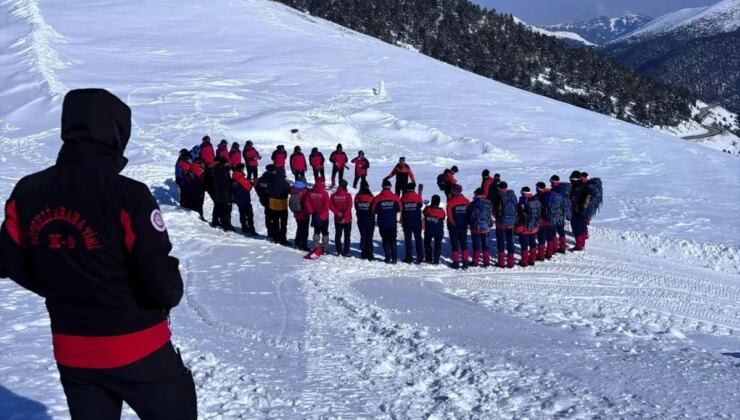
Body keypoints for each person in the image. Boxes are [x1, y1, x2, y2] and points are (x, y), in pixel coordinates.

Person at [0, 88, 196, 419]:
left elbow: (8, 258)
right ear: (117, 133)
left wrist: (59, 286)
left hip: (73, 350)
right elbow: (164, 286)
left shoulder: (28, 191)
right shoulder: (127, 195)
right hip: (138, 346)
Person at [371, 179, 402, 264]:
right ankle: (394, 258)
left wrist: (380, 211)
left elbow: (373, 210)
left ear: (382, 187)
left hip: (382, 223)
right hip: (392, 222)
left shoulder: (377, 198)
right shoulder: (395, 197)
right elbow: (400, 208)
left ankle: (388, 258)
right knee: (393, 240)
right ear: (390, 187)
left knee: (385, 240)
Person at [515, 186, 541, 266]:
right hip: (534, 226)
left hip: (524, 228)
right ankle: (532, 260)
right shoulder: (535, 199)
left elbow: (518, 215)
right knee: (533, 243)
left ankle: (524, 262)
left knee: (524, 245)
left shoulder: (522, 201)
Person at [494, 181, 518, 268]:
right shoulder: (512, 194)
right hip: (511, 221)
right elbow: (516, 205)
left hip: (500, 222)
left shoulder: (498, 195)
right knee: (510, 241)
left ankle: (501, 262)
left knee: (501, 241)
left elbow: (495, 207)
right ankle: (511, 262)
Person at [305, 177, 331, 254]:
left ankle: (316, 247)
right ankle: (325, 249)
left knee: (316, 231)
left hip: (314, 215)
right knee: (325, 232)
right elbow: (326, 206)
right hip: (323, 216)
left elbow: (307, 203)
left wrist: (312, 211)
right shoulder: (324, 193)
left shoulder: (310, 192)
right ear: (322, 183)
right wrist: (319, 212)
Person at [447, 184, 471, 269]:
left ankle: (456, 263)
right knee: (464, 244)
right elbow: (469, 214)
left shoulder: (450, 203)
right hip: (463, 226)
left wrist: (453, 224)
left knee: (455, 245)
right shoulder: (467, 201)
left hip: (454, 227)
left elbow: (449, 217)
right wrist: (466, 223)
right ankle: (465, 263)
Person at [401, 182, 424, 264]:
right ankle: (420, 257)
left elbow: (400, 207)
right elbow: (420, 205)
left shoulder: (403, 198)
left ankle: (409, 257)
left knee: (408, 240)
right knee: (418, 240)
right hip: (417, 222)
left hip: (406, 222)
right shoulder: (417, 197)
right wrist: (420, 194)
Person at [469, 188, 493, 267]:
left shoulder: (473, 203)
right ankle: (486, 262)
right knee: (485, 244)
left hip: (475, 227)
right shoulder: (488, 202)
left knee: (476, 245)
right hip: (485, 227)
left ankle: (475, 261)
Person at [330, 179, 353, 256]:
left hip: (337, 219)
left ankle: (339, 251)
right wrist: (344, 216)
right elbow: (349, 207)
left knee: (338, 235)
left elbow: (331, 206)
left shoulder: (333, 196)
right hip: (347, 219)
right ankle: (346, 252)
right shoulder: (348, 195)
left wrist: (338, 213)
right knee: (347, 236)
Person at [268, 167, 291, 245]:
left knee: (275, 222)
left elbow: (268, 190)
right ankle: (282, 239)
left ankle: (276, 238)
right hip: (282, 205)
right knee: (283, 223)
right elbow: (289, 190)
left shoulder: (271, 181)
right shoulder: (284, 183)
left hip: (273, 204)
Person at [232, 163, 256, 236]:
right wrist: (252, 183)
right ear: (241, 169)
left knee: (242, 213)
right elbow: (248, 187)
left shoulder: (234, 176)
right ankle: (251, 230)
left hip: (238, 197)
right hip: (244, 198)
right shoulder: (240, 177)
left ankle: (244, 228)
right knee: (249, 214)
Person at [211, 156, 234, 231]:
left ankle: (216, 221)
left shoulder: (215, 169)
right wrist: (231, 192)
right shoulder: (224, 171)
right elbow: (228, 183)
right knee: (226, 210)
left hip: (218, 192)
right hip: (225, 193)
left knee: (219, 207)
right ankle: (226, 225)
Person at [354, 181, 375, 260]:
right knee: (370, 237)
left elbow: (356, 207)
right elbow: (374, 208)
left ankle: (364, 253)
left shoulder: (357, 197)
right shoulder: (371, 196)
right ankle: (370, 253)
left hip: (361, 220)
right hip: (370, 219)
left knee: (363, 236)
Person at [569, 170, 590, 251]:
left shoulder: (576, 187)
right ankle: (583, 241)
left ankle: (579, 246)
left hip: (576, 210)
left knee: (576, 227)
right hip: (583, 210)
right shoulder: (583, 185)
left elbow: (574, 199)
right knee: (582, 225)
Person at [423, 194, 446, 265]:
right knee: (438, 245)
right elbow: (443, 217)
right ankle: (436, 260)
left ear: (432, 201)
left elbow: (424, 213)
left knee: (427, 243)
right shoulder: (441, 211)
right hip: (439, 231)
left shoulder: (427, 209)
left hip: (429, 230)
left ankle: (429, 258)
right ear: (438, 202)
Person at [535, 181, 555, 260]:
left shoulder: (538, 196)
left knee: (541, 238)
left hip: (542, 221)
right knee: (550, 237)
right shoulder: (551, 194)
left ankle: (541, 255)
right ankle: (549, 253)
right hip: (551, 219)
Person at [549, 175, 569, 254]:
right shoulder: (563, 190)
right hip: (561, 214)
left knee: (553, 230)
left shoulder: (557, 191)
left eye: (551, 182)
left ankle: (554, 248)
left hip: (555, 214)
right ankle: (562, 247)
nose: (551, 183)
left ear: (554, 182)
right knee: (561, 230)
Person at [289, 180, 311, 251]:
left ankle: (297, 243)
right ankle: (304, 246)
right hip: (304, 213)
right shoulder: (305, 191)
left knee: (299, 228)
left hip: (296, 213)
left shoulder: (292, 190)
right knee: (305, 230)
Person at [256, 165, 275, 239]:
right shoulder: (274, 179)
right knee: (274, 217)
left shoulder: (261, 179)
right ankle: (275, 232)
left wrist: (261, 196)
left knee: (268, 216)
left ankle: (270, 232)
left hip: (264, 200)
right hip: (273, 200)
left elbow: (257, 187)